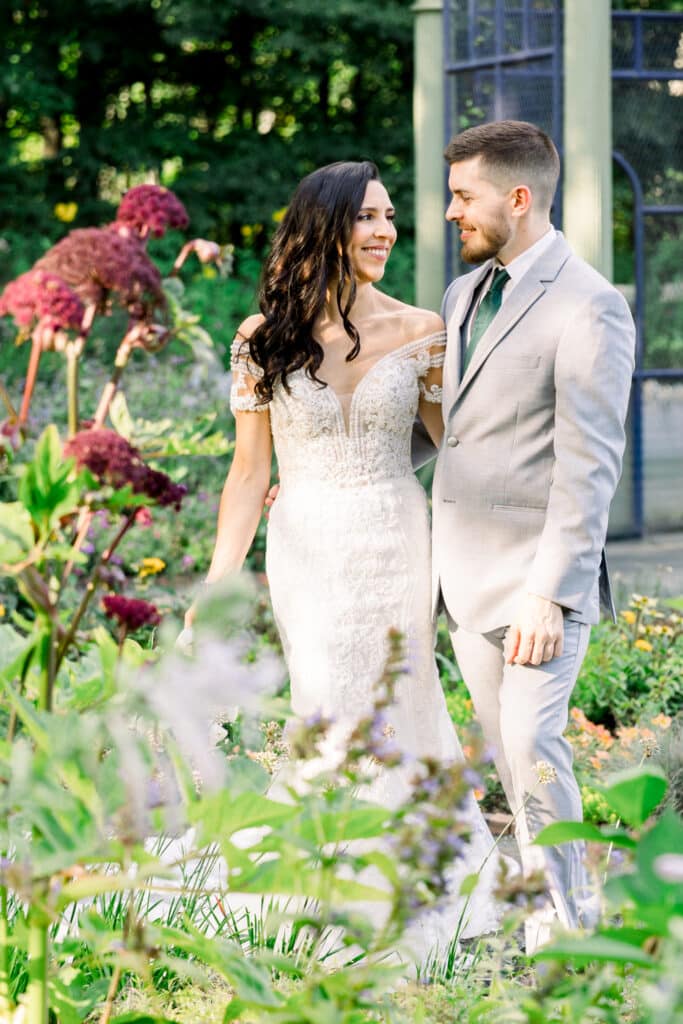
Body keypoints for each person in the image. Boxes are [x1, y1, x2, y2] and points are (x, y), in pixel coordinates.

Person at [184, 160, 500, 957]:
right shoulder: (262, 340)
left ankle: (414, 884)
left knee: (403, 699)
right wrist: (216, 585)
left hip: (396, 536)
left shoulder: (423, 328)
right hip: (308, 547)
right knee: (324, 704)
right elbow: (249, 472)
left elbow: (440, 443)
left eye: (390, 216)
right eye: (368, 216)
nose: (386, 231)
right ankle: (317, 881)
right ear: (323, 225)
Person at [426, 120, 635, 951]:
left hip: (537, 587)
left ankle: (571, 922)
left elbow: (589, 465)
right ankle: (534, 898)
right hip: (466, 579)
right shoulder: (463, 293)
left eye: (462, 196)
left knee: (531, 741)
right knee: (507, 758)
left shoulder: (590, 305)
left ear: (518, 198)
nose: (449, 213)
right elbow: (455, 428)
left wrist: (550, 592)